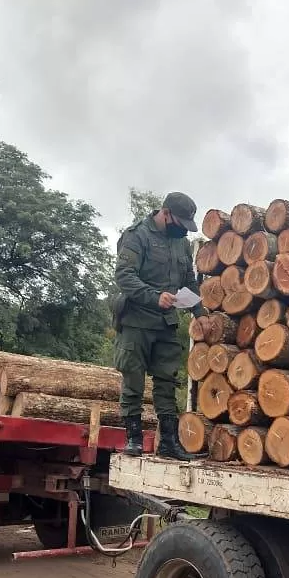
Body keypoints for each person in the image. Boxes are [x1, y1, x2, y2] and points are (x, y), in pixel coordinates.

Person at [112, 192, 204, 460]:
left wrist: (199, 311)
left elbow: (189, 278)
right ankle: (134, 438)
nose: (182, 230)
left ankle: (169, 442)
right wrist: (154, 296)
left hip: (166, 323)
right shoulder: (137, 236)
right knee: (133, 380)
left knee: (167, 381)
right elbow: (124, 276)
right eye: (180, 223)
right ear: (166, 214)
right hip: (136, 321)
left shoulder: (181, 244)